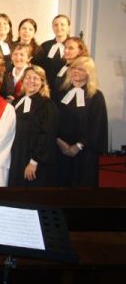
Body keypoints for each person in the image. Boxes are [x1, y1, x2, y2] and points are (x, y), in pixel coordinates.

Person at [55, 56, 108, 187]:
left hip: (85, 152)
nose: (76, 71)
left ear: (89, 73)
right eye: (73, 68)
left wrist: (78, 146)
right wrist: (59, 141)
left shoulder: (96, 96)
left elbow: (97, 125)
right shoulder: (61, 92)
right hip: (61, 150)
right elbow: (53, 119)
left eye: (81, 69)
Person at [8, 66, 59, 187]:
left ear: (42, 82)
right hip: (16, 155)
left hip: (32, 159)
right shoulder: (18, 101)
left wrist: (33, 162)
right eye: (28, 77)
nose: (31, 81)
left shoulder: (47, 105)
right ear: (23, 80)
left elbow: (46, 135)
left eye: (35, 78)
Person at [33, 14, 70, 91]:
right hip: (48, 87)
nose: (59, 27)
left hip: (67, 87)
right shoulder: (45, 45)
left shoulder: (73, 45)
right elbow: (37, 66)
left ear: (68, 27)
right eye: (56, 25)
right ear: (52, 27)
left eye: (62, 25)